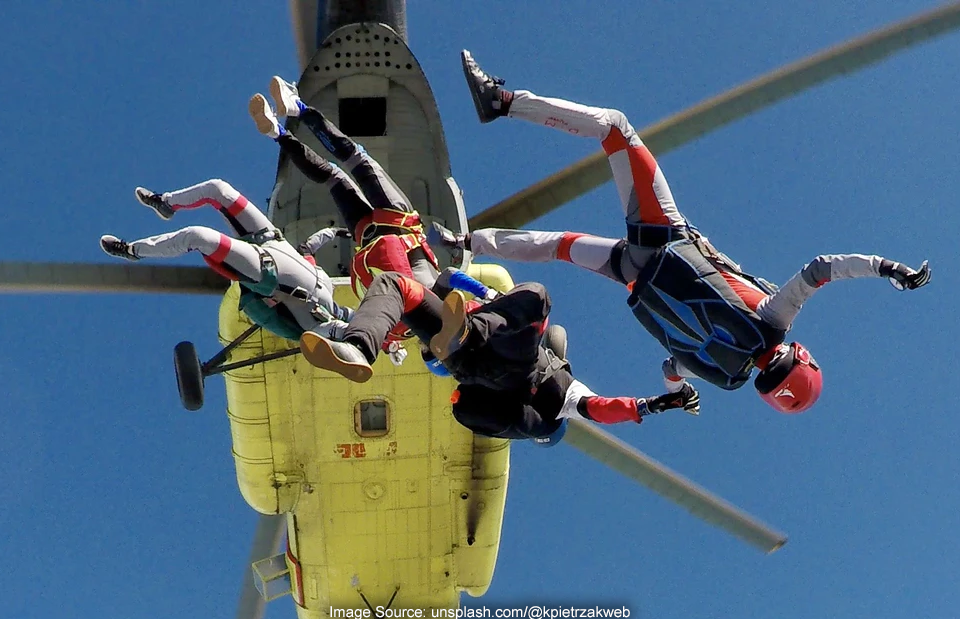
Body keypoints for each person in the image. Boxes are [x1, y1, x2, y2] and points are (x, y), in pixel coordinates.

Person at [429, 50, 932, 415]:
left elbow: (820, 269)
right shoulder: (726, 375)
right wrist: (674, 389)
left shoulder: (774, 321)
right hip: (635, 278)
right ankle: (465, 243)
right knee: (562, 247)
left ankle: (502, 102)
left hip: (665, 240)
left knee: (616, 129)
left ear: (799, 359)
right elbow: (675, 364)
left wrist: (889, 269)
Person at [296, 268, 699, 444]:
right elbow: (603, 410)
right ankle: (358, 346)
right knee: (396, 286)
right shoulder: (559, 402)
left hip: (497, 365)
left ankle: (462, 332)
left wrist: (652, 405)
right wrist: (655, 404)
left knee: (538, 296)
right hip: (463, 363)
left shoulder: (561, 395)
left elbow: (600, 408)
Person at [248, 77, 441, 327]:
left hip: (398, 223)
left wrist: (486, 292)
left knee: (354, 159)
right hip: (367, 238)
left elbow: (453, 279)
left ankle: (298, 108)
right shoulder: (398, 323)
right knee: (332, 178)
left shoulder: (435, 304)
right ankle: (278, 133)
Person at [99, 179, 350, 342]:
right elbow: (308, 248)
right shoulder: (324, 282)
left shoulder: (317, 317)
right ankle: (166, 202)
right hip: (271, 240)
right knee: (218, 189)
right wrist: (335, 232)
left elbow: (323, 335)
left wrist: (377, 339)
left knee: (197, 236)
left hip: (265, 271)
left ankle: (132, 250)